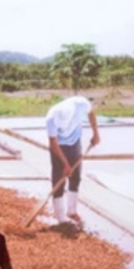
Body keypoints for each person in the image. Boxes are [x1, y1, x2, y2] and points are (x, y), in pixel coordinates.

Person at [44, 95, 100, 226]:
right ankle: (60, 216)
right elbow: (54, 143)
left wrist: (96, 133)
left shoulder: (81, 104)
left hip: (75, 142)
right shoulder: (51, 118)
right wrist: (65, 164)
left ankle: (72, 211)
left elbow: (91, 113)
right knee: (59, 179)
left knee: (75, 177)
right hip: (59, 146)